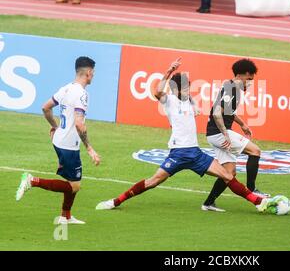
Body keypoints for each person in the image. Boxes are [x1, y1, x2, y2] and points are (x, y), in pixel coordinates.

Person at [96, 59, 276, 213]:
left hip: (196, 154)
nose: (188, 90)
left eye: (189, 87)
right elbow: (158, 92)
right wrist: (169, 71)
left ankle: (259, 203)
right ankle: (115, 201)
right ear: (175, 89)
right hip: (178, 154)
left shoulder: (190, 101)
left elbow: (211, 109)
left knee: (228, 176)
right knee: (153, 181)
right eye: (185, 88)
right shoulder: (169, 101)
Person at [16, 57, 101, 224]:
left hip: (58, 140)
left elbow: (45, 107)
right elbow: (79, 124)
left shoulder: (66, 88)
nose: (94, 76)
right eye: (94, 73)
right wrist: (90, 148)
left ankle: (65, 216)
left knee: (72, 182)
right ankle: (32, 181)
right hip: (69, 145)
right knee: (74, 186)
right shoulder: (82, 94)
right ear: (89, 72)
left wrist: (55, 127)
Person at [201, 59, 269, 212]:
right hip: (219, 133)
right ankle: (252, 189)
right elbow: (217, 113)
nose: (250, 83)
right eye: (249, 79)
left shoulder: (232, 88)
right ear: (240, 75)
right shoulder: (231, 88)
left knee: (229, 173)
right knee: (255, 151)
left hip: (215, 133)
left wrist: (242, 124)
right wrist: (225, 134)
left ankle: (208, 203)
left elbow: (228, 111)